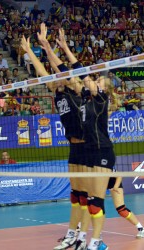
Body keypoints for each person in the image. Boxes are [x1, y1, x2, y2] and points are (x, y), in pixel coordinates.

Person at [21, 24, 91, 250]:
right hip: (73, 146)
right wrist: (29, 51)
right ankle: (73, 233)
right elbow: (42, 71)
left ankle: (83, 235)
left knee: (86, 194)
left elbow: (57, 68)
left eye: (60, 77)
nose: (57, 79)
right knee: (76, 194)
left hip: (88, 145)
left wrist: (47, 45)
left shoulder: (74, 88)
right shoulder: (56, 90)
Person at [57, 28, 115, 250]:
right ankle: (87, 239)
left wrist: (67, 50)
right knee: (89, 201)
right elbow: (65, 74)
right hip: (89, 152)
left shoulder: (101, 99)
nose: (95, 80)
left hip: (102, 152)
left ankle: (95, 242)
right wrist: (59, 48)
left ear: (103, 88)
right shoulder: (84, 97)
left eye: (99, 79)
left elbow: (82, 72)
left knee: (96, 201)